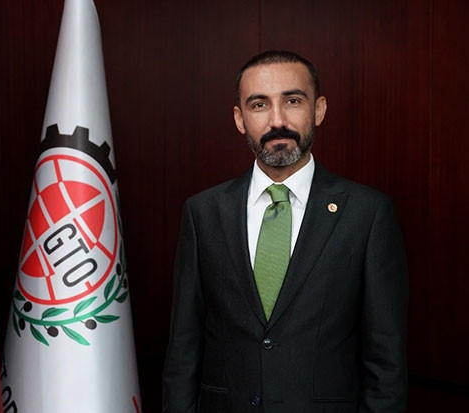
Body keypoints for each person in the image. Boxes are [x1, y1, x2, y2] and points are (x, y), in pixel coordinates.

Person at [162, 50, 408, 412]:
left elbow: (386, 362)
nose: (277, 120)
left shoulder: (368, 214)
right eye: (259, 105)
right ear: (240, 119)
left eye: (293, 101)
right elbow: (183, 348)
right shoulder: (203, 213)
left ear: (318, 110)